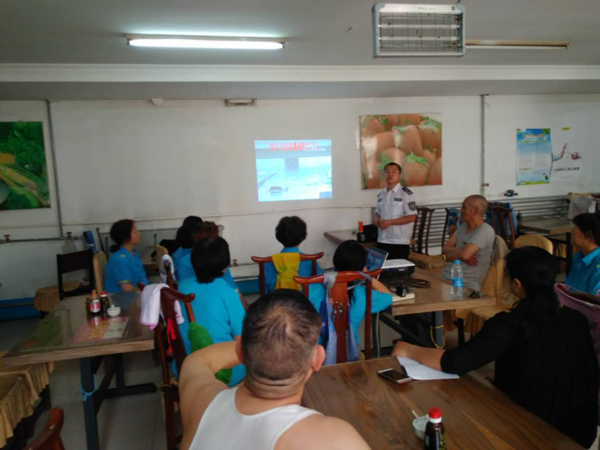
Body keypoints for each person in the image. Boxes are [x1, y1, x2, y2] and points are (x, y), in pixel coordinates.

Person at [392, 247, 598, 448]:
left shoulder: (511, 325)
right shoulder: (576, 319)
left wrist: (409, 350)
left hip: (535, 435)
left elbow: (455, 362)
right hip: (580, 430)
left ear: (516, 284)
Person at [179, 289, 371, 450]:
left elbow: (199, 359)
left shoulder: (200, 401)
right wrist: (283, 346)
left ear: (240, 353)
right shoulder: (335, 440)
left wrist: (260, 345)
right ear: (317, 359)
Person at [178, 236, 246, 386]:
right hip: (223, 372)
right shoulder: (228, 293)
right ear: (224, 268)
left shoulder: (182, 287)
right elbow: (240, 340)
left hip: (187, 365)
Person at [307, 240, 392, 349]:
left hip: (317, 353)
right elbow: (388, 297)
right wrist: (367, 276)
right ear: (361, 267)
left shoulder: (313, 288)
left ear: (335, 260)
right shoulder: (361, 294)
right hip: (350, 353)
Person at [179, 222, 248, 309]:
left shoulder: (183, 262)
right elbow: (234, 292)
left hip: (189, 310)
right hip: (216, 308)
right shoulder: (218, 263)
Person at [441, 195, 495, 291]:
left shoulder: (485, 231)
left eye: (464, 207)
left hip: (465, 285)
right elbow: (445, 249)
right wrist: (462, 252)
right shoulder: (463, 226)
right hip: (445, 277)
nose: (460, 210)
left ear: (475, 211)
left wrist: (451, 256)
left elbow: (464, 255)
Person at [264, 216, 322, 293]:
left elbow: (263, 290)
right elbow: (320, 284)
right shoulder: (311, 261)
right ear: (303, 236)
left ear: (278, 236)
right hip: (305, 300)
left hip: (276, 300)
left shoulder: (267, 264)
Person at [374, 162, 417, 260]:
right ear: (384, 175)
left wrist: (390, 222)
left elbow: (412, 217)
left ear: (399, 176)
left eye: (394, 172)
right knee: (380, 269)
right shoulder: (381, 195)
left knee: (398, 269)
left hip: (399, 243)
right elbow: (377, 213)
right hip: (382, 240)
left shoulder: (406, 194)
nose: (390, 174)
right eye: (387, 172)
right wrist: (376, 219)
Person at [104, 219, 148, 293]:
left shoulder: (134, 253)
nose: (138, 233)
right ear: (125, 237)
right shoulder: (119, 260)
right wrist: (148, 292)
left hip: (141, 293)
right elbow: (128, 290)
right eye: (134, 231)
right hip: (125, 299)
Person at [566, 212, 600, 297]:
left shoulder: (598, 267)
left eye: (575, 228)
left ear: (588, 234)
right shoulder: (580, 256)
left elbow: (594, 302)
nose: (572, 232)